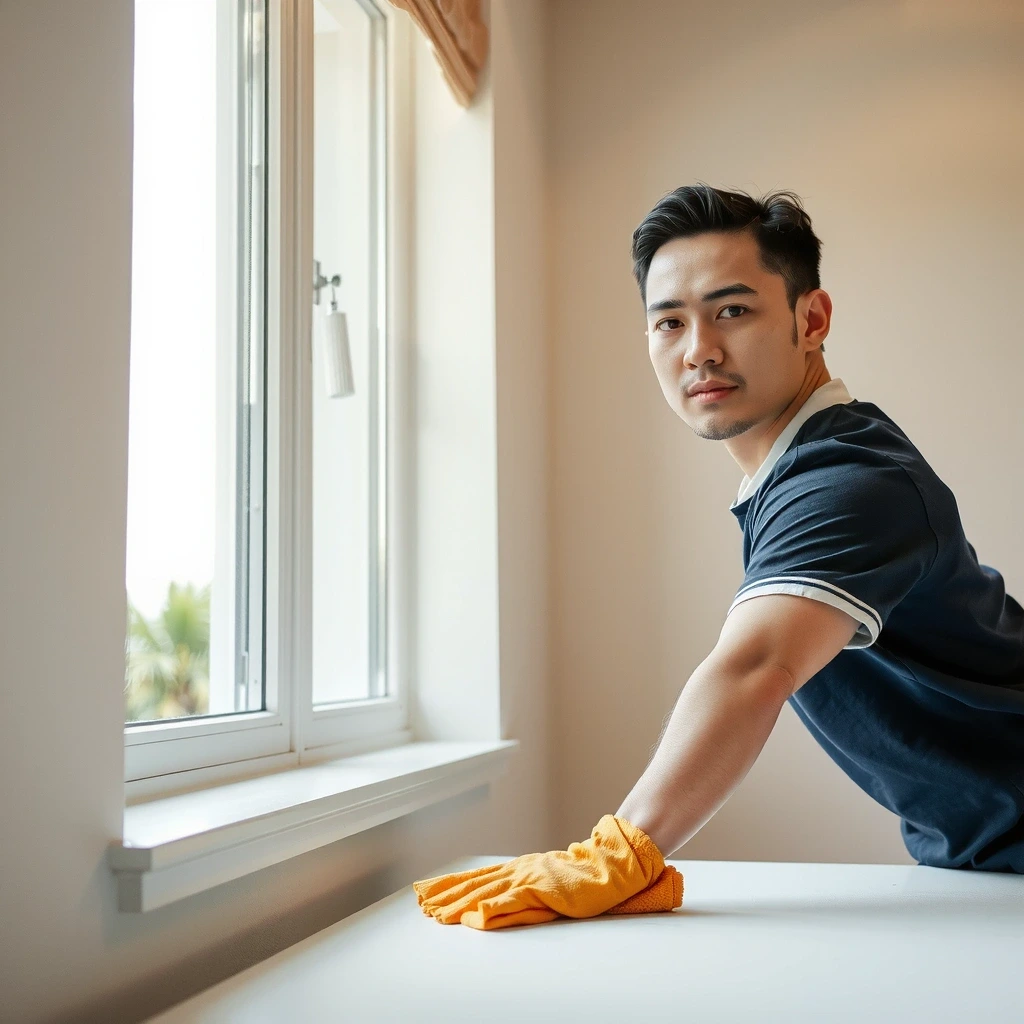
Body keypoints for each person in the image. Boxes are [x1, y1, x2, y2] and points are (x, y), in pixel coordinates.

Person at [413, 184, 1024, 931]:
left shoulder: (848, 484)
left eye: (732, 310)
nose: (698, 347)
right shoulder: (806, 470)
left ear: (812, 320)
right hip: (986, 861)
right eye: (669, 321)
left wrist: (621, 851)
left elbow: (755, 668)